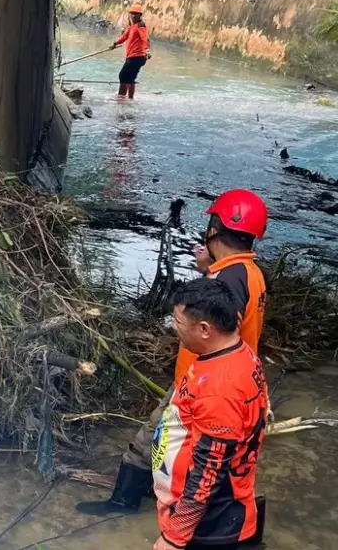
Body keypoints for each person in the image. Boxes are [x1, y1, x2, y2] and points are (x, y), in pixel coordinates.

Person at [77, 189, 269, 515]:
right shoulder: (250, 273)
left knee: (150, 438)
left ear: (213, 229)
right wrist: (209, 271)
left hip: (203, 384)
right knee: (186, 448)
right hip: (225, 383)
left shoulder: (229, 278)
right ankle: (164, 494)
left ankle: (124, 503)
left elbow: (220, 326)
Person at [152, 278, 268, 550]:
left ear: (205, 329)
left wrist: (174, 537)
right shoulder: (238, 354)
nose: (174, 329)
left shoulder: (221, 387)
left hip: (210, 525)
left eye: (178, 323)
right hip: (219, 511)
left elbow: (209, 470)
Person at [111, 4, 153, 100]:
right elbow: (125, 36)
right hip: (132, 56)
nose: (133, 16)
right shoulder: (132, 26)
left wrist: (147, 50)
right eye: (132, 14)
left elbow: (144, 39)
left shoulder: (140, 26)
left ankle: (121, 97)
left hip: (137, 56)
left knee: (123, 75)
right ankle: (129, 98)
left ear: (140, 15)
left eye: (136, 14)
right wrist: (115, 43)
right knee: (130, 78)